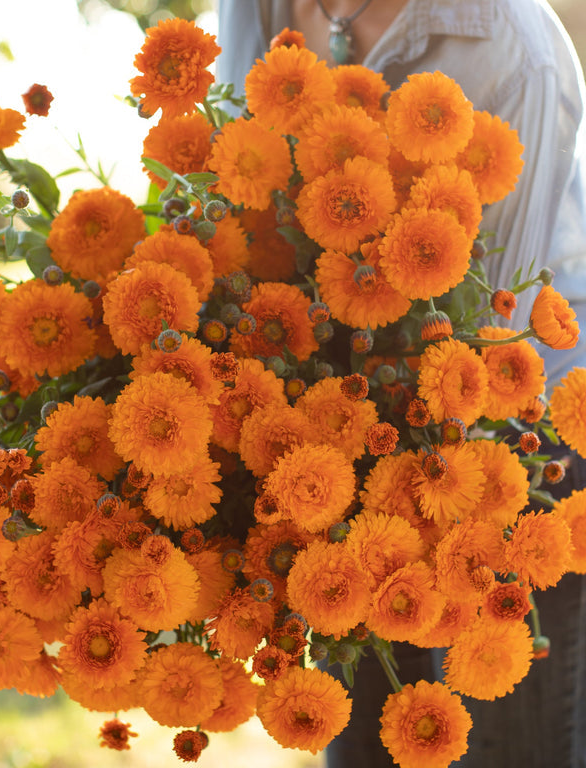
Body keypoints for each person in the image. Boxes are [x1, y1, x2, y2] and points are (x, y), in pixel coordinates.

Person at [217, 1, 586, 766]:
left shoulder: (517, 49)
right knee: (361, 730)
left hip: (515, 439)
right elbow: (232, 183)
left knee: (505, 739)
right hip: (332, 417)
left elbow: (484, 335)